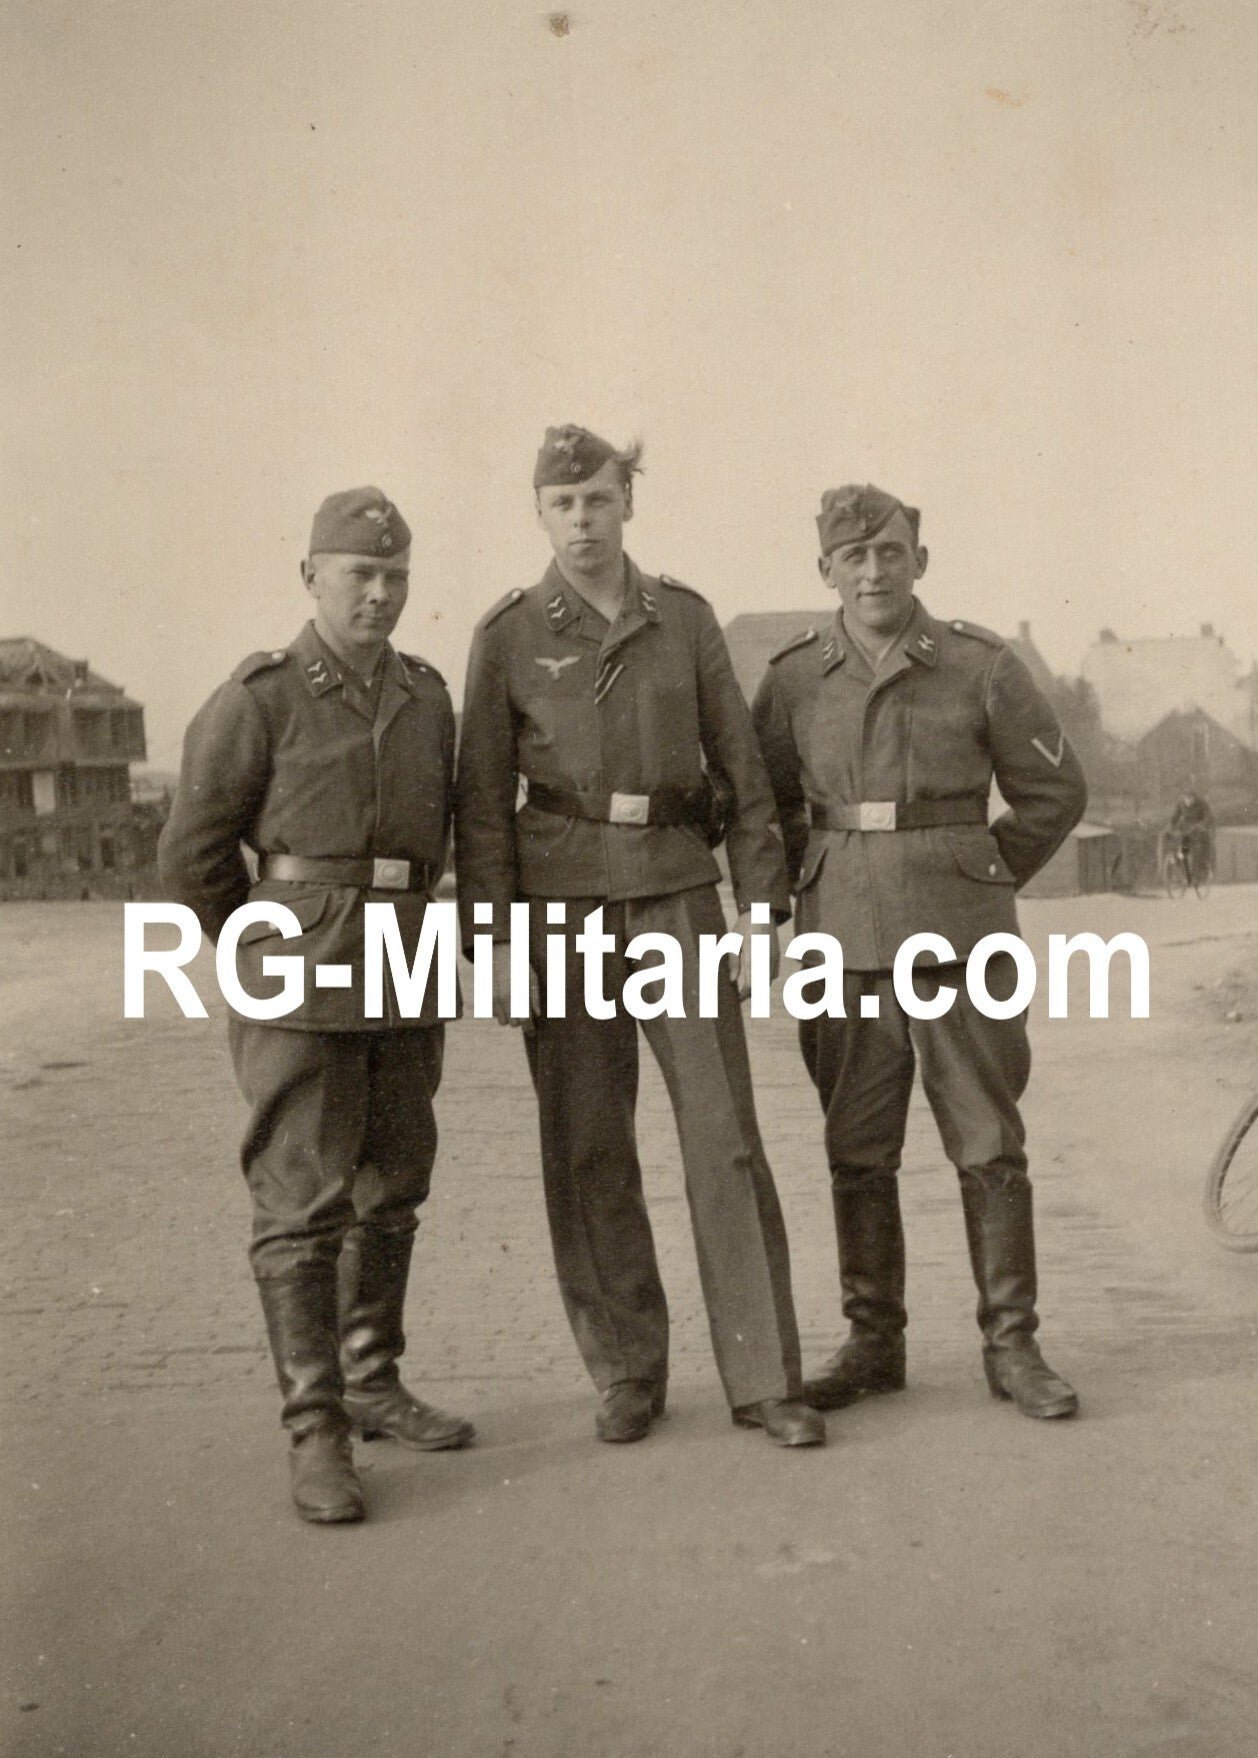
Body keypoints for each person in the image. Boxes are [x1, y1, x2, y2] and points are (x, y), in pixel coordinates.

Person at [455, 425, 823, 1448]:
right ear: (539, 513)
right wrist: (494, 942)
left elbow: (744, 773)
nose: (583, 521)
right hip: (560, 905)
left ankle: (764, 1376)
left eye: (599, 499)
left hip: (674, 892)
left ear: (628, 502)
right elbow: (479, 806)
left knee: (723, 1135)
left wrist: (762, 911)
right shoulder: (507, 634)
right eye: (563, 503)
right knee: (588, 1145)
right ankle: (625, 1369)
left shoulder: (685, 620)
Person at [159, 488, 473, 1525]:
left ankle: (373, 1381)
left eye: (395, 576)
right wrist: (264, 947)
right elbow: (192, 855)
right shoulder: (259, 697)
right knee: (300, 1204)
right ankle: (316, 1430)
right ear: (311, 577)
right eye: (359, 574)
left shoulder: (427, 696)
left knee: (395, 1184)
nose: (379, 594)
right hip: (300, 973)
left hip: (405, 959)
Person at [752, 483, 1087, 1420]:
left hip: (959, 942)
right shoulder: (792, 679)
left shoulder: (980, 665)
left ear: (920, 562)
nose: (874, 572)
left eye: (891, 553)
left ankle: (1013, 1346)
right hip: (841, 944)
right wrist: (805, 882)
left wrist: (983, 872)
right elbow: (761, 804)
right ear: (826, 570)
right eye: (853, 557)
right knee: (857, 1149)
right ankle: (873, 1343)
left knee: (989, 1146)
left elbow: (1056, 793)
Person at [1167, 786, 1215, 885]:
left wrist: (1201, 825)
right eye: (1186, 798)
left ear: (1194, 798)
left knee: (1197, 851)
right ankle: (1180, 872)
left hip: (1199, 830)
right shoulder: (1181, 803)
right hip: (1185, 830)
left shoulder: (1202, 803)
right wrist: (1171, 826)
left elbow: (1208, 817)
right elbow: (1175, 816)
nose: (1188, 801)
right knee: (1180, 849)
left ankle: (1198, 874)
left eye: (1190, 799)